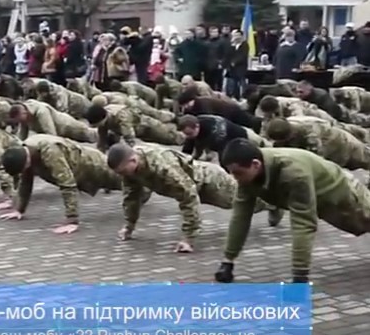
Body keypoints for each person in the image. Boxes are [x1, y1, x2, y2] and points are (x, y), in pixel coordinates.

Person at [216, 139, 370, 284]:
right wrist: (228, 260)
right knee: (358, 226)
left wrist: (299, 276)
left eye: (238, 173)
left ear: (255, 165)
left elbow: (303, 224)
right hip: (321, 199)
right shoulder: (247, 175)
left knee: (364, 222)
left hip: (344, 191)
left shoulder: (293, 174)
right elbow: (240, 217)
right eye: (231, 173)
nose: (234, 178)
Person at [106, 143, 282, 253]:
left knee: (241, 202)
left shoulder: (161, 164)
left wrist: (188, 238)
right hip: (194, 184)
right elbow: (131, 198)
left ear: (133, 161)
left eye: (122, 171)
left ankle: (275, 203)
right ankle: (272, 203)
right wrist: (129, 227)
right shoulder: (129, 171)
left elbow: (187, 196)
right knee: (239, 203)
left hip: (210, 181)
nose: (122, 176)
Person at [0, 135, 122, 234]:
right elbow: (26, 182)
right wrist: (19, 210)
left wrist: (72, 219)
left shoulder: (49, 151)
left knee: (126, 181)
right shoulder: (25, 151)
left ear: (26, 162)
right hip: (83, 171)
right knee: (130, 187)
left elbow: (67, 184)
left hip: (94, 166)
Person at [264, 117, 370, 171]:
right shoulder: (278, 128)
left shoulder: (310, 132)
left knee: (365, 161)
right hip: (327, 149)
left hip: (342, 144)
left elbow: (317, 161)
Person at [83, 97, 183, 151]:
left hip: (147, 126)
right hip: (138, 130)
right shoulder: (103, 121)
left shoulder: (120, 116)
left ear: (102, 119)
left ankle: (186, 131)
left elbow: (130, 140)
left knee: (173, 139)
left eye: (97, 125)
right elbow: (101, 142)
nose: (97, 127)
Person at [8, 99, 98, 143]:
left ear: (24, 112)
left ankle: (107, 134)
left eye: (20, 120)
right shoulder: (24, 114)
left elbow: (51, 135)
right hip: (60, 131)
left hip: (67, 125)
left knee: (90, 136)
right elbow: (21, 136)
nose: (20, 123)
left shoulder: (41, 112)